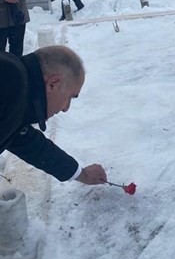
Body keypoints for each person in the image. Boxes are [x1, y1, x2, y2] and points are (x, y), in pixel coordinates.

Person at [0, 45, 107, 184]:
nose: (66, 108)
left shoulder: (16, 89)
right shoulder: (10, 82)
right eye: (70, 97)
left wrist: (80, 174)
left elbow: (26, 141)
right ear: (53, 84)